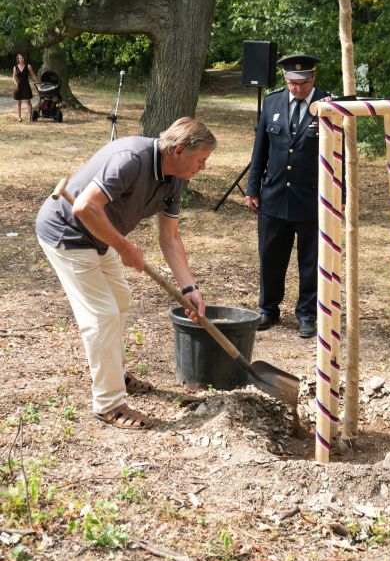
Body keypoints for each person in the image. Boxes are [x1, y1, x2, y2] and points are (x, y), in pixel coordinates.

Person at [36, 117, 216, 429]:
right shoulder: (131, 159)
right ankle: (108, 403)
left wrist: (189, 289)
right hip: (67, 233)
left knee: (120, 298)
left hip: (101, 236)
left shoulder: (175, 179)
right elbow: (83, 207)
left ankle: (114, 372)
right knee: (101, 315)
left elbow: (170, 237)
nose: (203, 167)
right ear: (178, 150)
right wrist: (123, 247)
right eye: (200, 160)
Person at [245, 54, 330, 339]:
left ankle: (307, 314)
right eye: (293, 83)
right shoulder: (272, 103)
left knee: (311, 261)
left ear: (313, 78)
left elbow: (339, 156)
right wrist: (252, 187)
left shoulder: (329, 105)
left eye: (303, 83)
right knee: (271, 257)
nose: (298, 89)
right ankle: (268, 309)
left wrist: (338, 198)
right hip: (275, 196)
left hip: (313, 199)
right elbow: (260, 150)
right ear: (285, 80)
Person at [13, 53, 38, 122]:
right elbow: (14, 77)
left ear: (24, 59)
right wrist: (16, 84)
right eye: (20, 58)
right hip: (18, 86)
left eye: (22, 58)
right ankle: (19, 117)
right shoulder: (15, 67)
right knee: (18, 103)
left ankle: (29, 118)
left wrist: (38, 82)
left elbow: (33, 75)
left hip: (26, 85)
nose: (21, 59)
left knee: (28, 102)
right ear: (18, 59)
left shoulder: (28, 66)